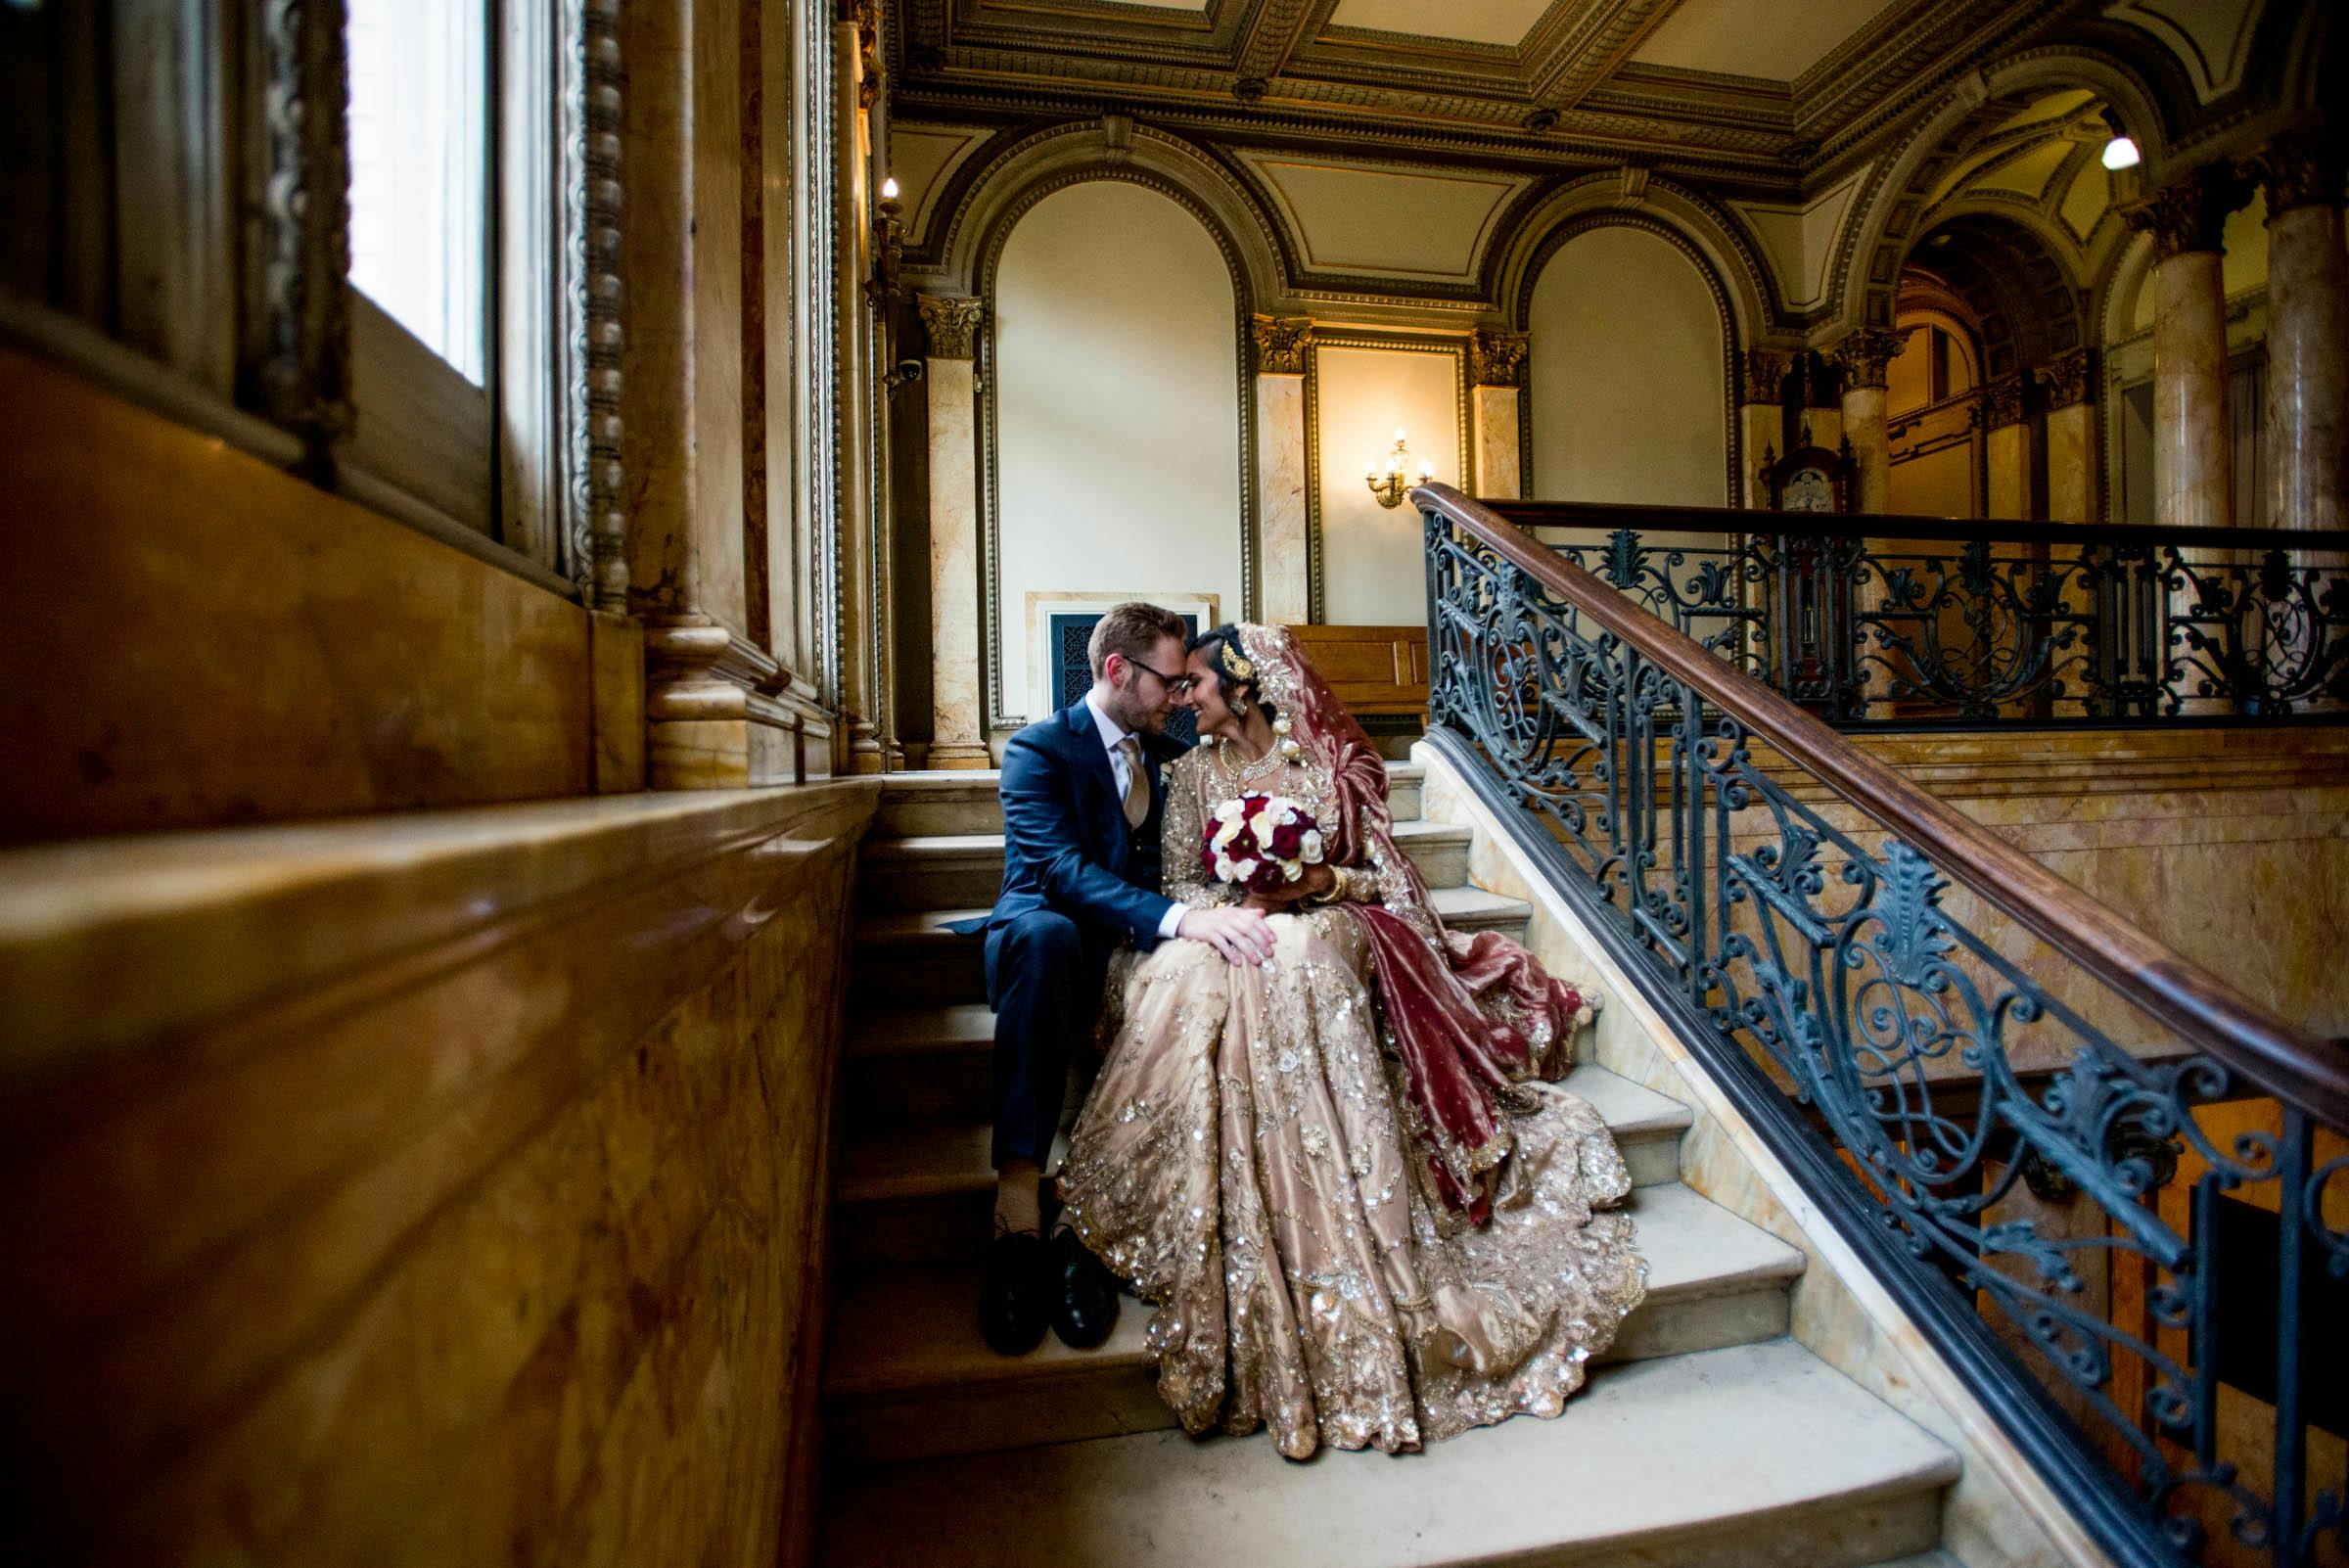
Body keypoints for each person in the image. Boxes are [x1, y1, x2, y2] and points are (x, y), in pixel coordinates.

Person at [1055, 622, 1647, 1458]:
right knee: (1219, 968)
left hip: (1333, 920)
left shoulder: (1324, 768)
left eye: (1196, 683)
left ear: (1246, 684)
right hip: (1233, 923)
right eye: (1175, 685)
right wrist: (1230, 908)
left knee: (1300, 961)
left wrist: (1313, 881)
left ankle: (1351, 1203)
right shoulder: (1187, 774)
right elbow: (1180, 878)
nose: (1184, 698)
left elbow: (1378, 877)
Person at [952, 603, 1279, 1356]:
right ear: (1116, 671)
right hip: (1047, 934)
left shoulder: (1169, 758)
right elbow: (1058, 871)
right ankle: (1018, 1215)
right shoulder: (1038, 749)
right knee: (1045, 933)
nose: (1178, 696)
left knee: (1204, 973)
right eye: (1169, 681)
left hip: (1132, 942)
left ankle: (1093, 1221)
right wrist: (1177, 919)